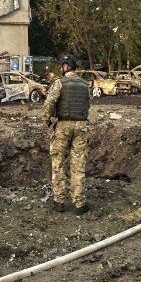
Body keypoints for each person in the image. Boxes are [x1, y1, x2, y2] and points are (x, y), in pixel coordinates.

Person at [43, 53, 91, 214]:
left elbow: (49, 102)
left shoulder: (59, 83)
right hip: (81, 125)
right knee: (78, 164)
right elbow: (87, 104)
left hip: (63, 125)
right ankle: (79, 204)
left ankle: (59, 201)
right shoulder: (85, 84)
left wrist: (46, 119)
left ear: (65, 66)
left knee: (58, 163)